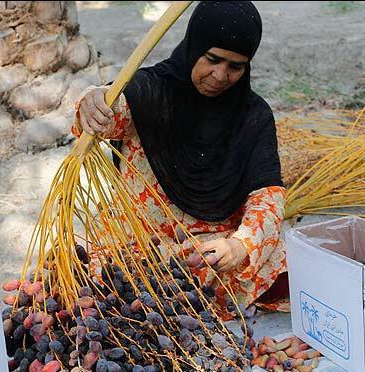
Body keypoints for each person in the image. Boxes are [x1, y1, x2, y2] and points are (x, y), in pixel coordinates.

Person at [72, 1, 289, 316]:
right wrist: (89, 102)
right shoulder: (150, 91)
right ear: (194, 45)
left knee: (279, 260)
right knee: (93, 266)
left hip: (210, 248)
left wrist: (241, 245)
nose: (220, 75)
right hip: (140, 241)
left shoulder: (253, 115)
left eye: (235, 66)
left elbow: (268, 196)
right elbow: (104, 113)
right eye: (213, 59)